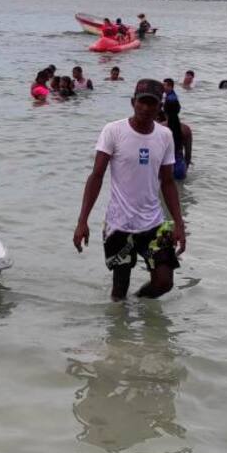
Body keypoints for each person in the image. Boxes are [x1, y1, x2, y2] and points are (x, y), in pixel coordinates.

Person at [73, 79, 186, 300]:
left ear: (159, 107)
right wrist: (82, 221)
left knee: (164, 282)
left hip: (154, 223)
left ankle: (139, 302)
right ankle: (121, 320)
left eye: (152, 103)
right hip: (119, 224)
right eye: (142, 102)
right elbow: (96, 176)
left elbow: (168, 182)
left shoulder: (165, 136)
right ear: (133, 102)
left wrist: (179, 224)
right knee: (119, 291)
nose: (146, 108)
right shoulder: (113, 131)